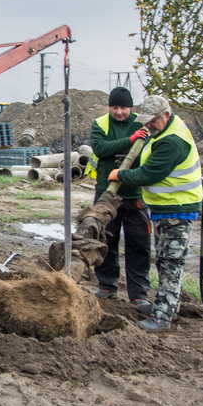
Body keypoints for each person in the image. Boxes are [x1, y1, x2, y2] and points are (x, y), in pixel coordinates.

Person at [107, 95, 203, 332]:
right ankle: (168, 305)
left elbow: (149, 174)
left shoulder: (171, 141)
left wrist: (120, 175)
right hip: (166, 208)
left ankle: (163, 316)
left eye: (152, 121)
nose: (147, 125)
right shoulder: (163, 132)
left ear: (166, 116)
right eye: (146, 121)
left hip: (177, 210)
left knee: (171, 263)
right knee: (163, 260)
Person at [87, 87, 151, 308]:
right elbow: (101, 148)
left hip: (135, 194)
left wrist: (135, 139)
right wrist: (130, 140)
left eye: (123, 107)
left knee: (138, 243)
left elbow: (147, 151)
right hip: (107, 193)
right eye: (115, 107)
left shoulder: (142, 122)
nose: (119, 112)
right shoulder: (101, 123)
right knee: (105, 239)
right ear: (109, 107)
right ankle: (106, 285)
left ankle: (138, 293)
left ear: (130, 107)